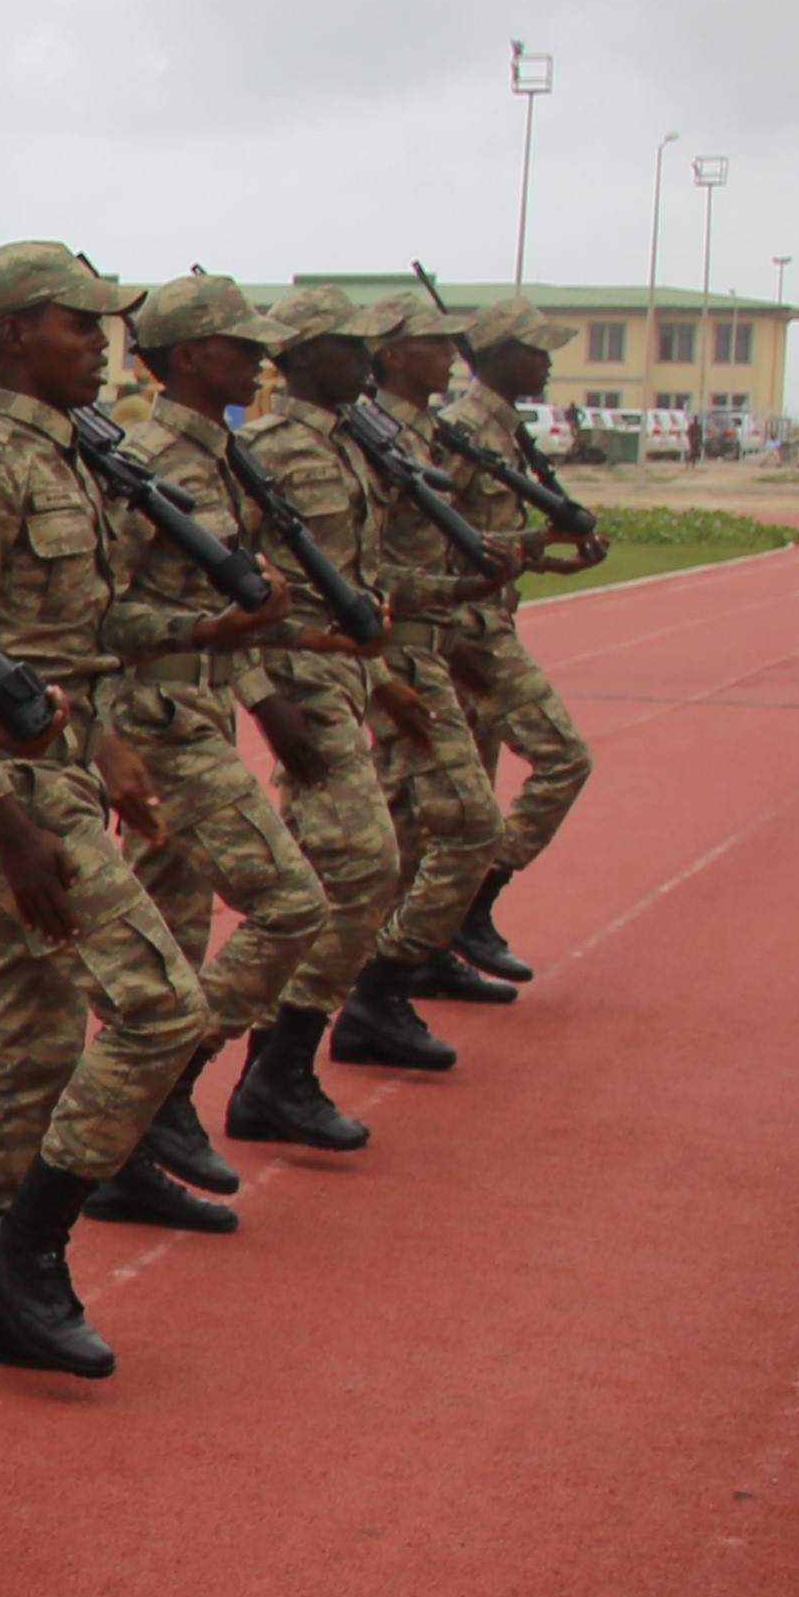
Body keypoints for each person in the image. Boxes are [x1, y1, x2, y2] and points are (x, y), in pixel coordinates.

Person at [0, 244, 264, 1380]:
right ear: (10, 337)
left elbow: (75, 646)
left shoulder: (70, 463)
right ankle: (29, 1244)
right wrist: (10, 823)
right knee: (156, 1007)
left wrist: (192, 646)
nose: (101, 340)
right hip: (11, 794)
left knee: (37, 1037)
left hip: (62, 771)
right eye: (73, 322)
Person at [89, 273, 314, 1231]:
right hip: (160, 723)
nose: (261, 357)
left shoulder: (221, 452)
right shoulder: (144, 460)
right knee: (290, 902)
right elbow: (101, 615)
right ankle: (161, 1093)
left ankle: (123, 1155)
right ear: (185, 356)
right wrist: (210, 624)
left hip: (202, 710)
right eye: (238, 343)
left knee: (176, 944)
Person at [232, 288, 436, 1117]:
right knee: (358, 873)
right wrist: (262, 695)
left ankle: (276, 1069)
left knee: (338, 878)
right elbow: (224, 575)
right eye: (351, 345)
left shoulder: (351, 444)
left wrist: (379, 671)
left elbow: (358, 573)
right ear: (307, 355)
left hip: (341, 672)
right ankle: (270, 1065)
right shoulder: (269, 448)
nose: (368, 358)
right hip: (297, 681)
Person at [343, 292, 524, 1041]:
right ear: (390, 354)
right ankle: (382, 978)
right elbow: (364, 568)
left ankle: (397, 975)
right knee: (453, 827)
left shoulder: (417, 435)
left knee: (412, 830)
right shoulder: (369, 439)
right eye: (432, 342)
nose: (452, 354)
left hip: (433, 639)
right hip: (392, 651)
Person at [428, 293, 601, 980]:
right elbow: (438, 541)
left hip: (488, 619)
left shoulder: (504, 430)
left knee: (466, 791)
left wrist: (552, 553)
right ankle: (470, 907)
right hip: (464, 631)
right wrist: (536, 538)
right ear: (498, 356)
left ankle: (431, 943)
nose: (549, 360)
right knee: (562, 759)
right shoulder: (463, 430)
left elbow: (489, 547)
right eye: (537, 347)